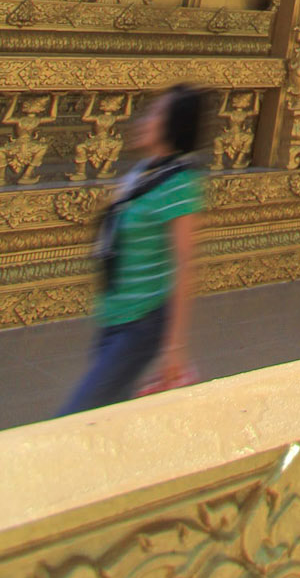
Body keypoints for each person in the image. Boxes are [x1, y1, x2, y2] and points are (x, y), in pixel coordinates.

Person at [57, 84, 205, 415]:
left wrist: (174, 347)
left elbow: (184, 267)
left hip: (143, 321)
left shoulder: (180, 184)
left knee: (78, 416)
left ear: (173, 125)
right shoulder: (144, 172)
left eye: (156, 114)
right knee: (107, 413)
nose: (146, 120)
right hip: (115, 313)